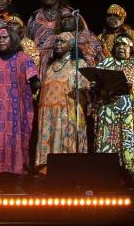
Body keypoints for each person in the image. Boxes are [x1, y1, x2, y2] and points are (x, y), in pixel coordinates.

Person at [94, 35, 134, 182]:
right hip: (109, 109)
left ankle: (131, 176)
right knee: (107, 141)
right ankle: (106, 176)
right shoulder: (105, 63)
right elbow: (96, 83)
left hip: (131, 111)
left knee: (130, 141)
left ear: (131, 49)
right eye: (118, 45)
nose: (120, 48)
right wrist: (95, 86)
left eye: (124, 45)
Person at [0, 27, 38, 182]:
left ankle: (17, 175)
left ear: (13, 39)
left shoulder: (23, 58)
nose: (1, 41)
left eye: (5, 38)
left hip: (18, 111)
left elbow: (35, 82)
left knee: (17, 140)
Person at [34, 32, 90, 173]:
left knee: (67, 139)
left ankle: (70, 170)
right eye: (57, 41)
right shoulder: (50, 66)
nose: (58, 44)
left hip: (68, 111)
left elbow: (87, 86)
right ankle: (48, 168)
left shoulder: (78, 64)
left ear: (71, 46)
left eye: (62, 41)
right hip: (48, 114)